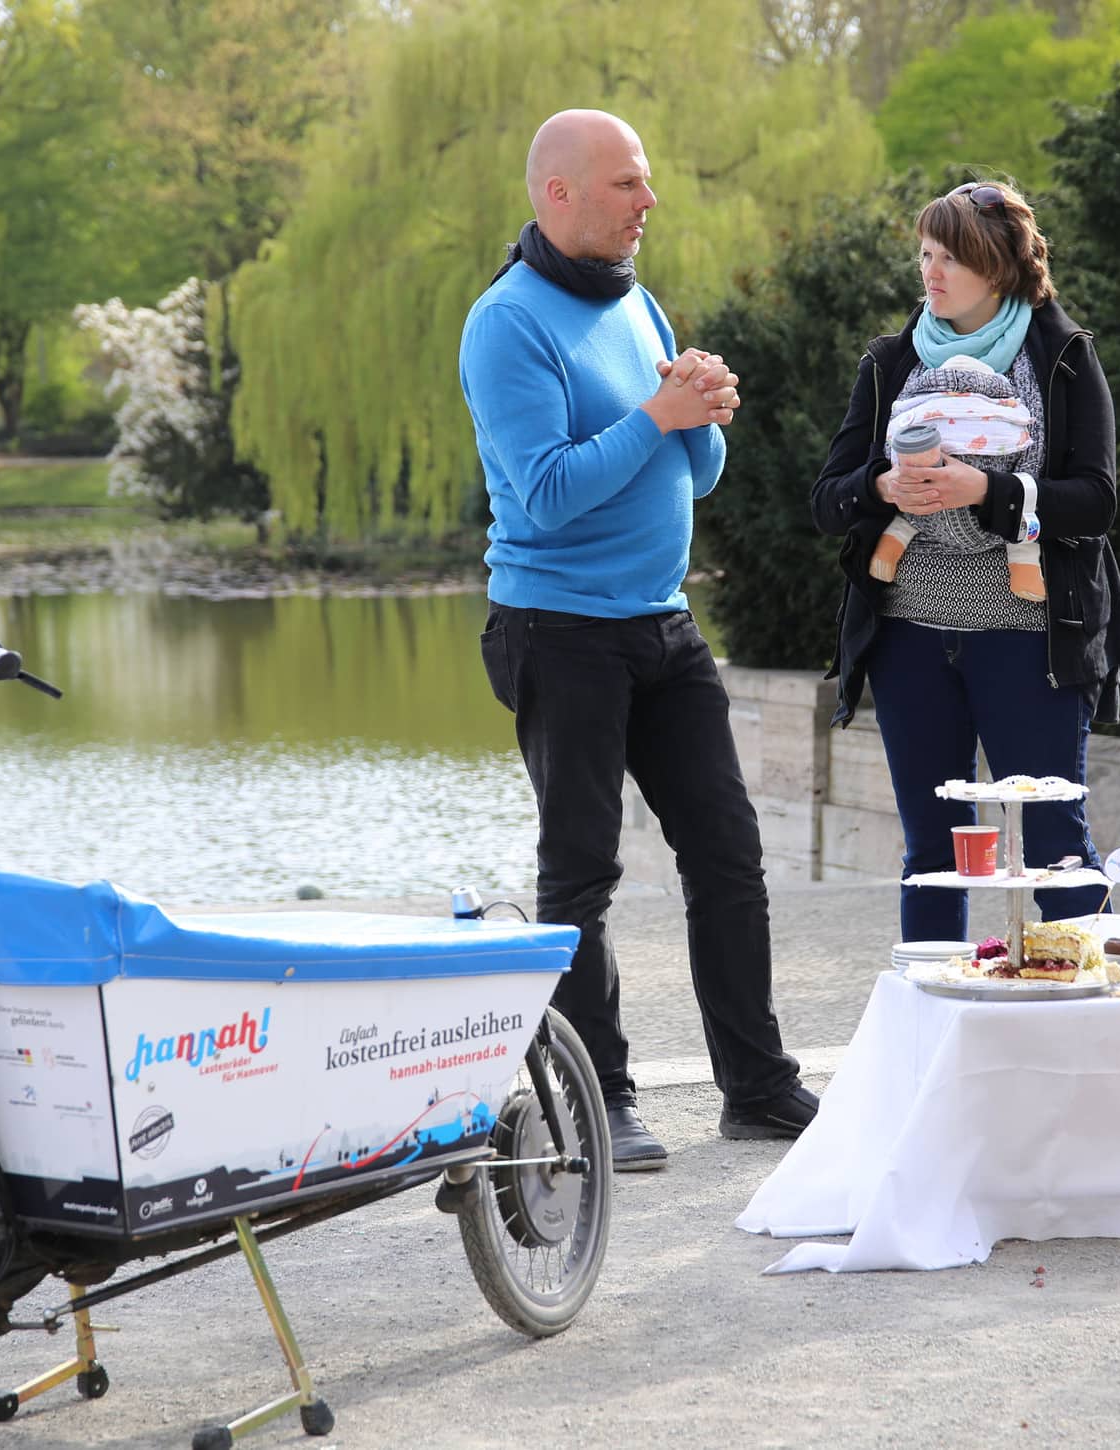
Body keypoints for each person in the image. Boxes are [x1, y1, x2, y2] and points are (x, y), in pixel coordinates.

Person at [458, 109, 816, 1170]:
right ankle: (594, 1100)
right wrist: (660, 415)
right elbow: (549, 493)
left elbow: (692, 477)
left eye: (646, 183)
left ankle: (756, 1088)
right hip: (557, 629)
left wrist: (700, 414)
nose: (647, 202)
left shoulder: (636, 302)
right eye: (626, 185)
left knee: (730, 856)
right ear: (558, 194)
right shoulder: (506, 323)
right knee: (581, 875)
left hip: (660, 623)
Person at [811, 179, 1120, 941]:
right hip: (907, 641)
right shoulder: (890, 360)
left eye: (950, 257)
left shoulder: (1062, 356)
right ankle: (937, 1034)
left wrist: (987, 490)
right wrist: (882, 484)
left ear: (995, 268)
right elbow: (827, 497)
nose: (930, 272)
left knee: (1058, 847)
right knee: (932, 854)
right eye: (925, 254)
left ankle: (1086, 1019)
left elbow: (1096, 501)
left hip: (1030, 640)